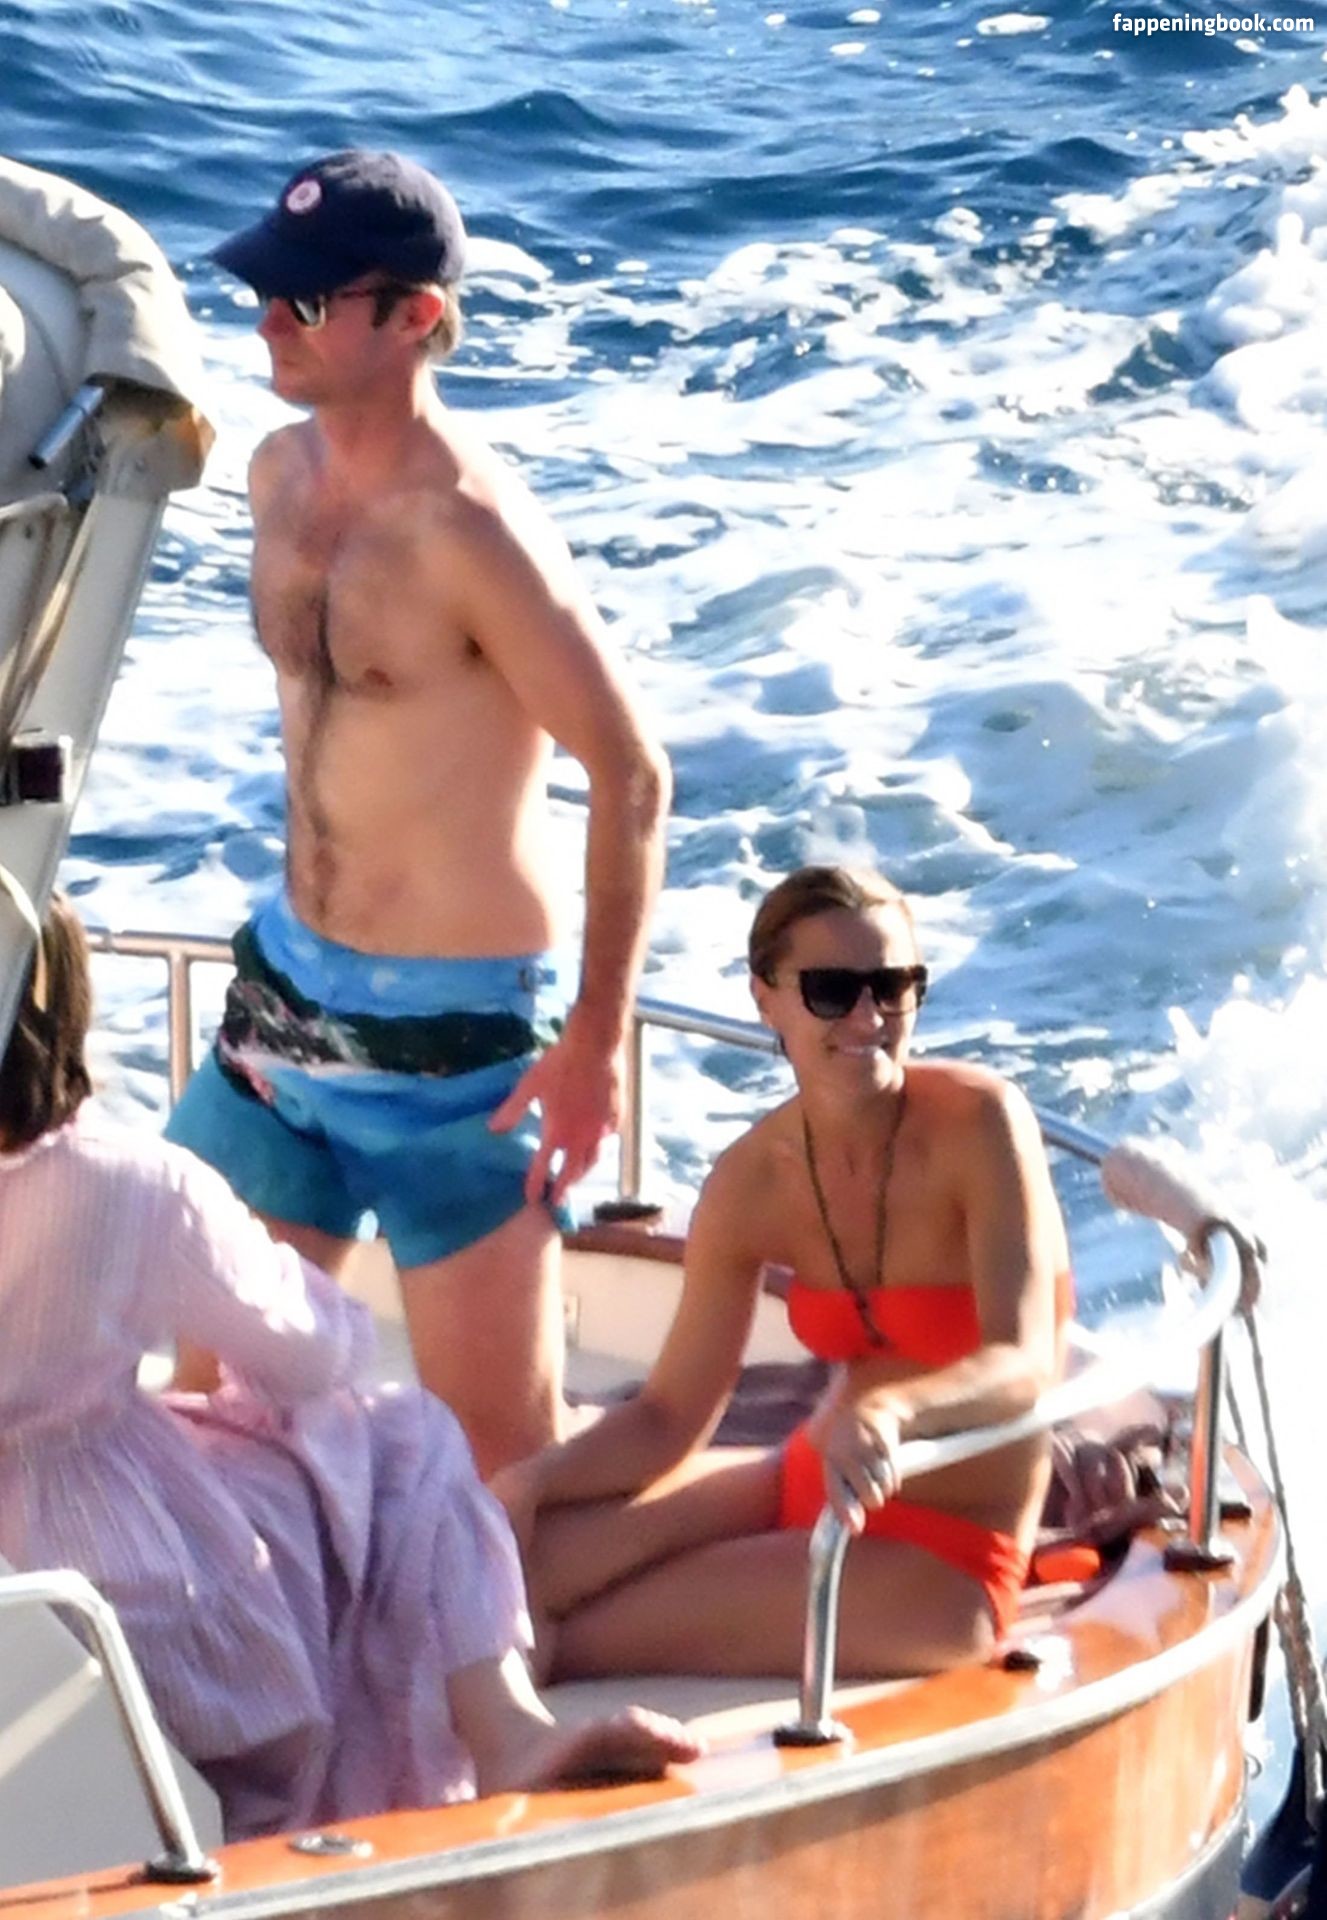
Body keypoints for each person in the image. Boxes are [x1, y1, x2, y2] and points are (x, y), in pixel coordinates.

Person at [165, 150, 671, 1474]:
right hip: (282, 1004)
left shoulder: (471, 533)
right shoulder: (275, 474)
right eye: (264, 293)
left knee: (499, 1466)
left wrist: (594, 1044)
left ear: (416, 318)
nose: (267, 323)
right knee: (210, 1414)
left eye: (305, 303)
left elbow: (631, 774)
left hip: (453, 1050)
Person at [0, 896, 698, 1841]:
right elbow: (306, 1357)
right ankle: (507, 1732)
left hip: (27, 1601)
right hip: (123, 1592)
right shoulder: (131, 1183)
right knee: (403, 1435)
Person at [493, 865, 1072, 1680]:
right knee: (509, 1572)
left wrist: (893, 1413)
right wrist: (534, 1481)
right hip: (803, 1479)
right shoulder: (751, 1181)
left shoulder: (980, 1123)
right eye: (831, 991)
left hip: (948, 1554)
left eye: (893, 988)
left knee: (554, 1644)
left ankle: (503, 1755)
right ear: (765, 999)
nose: (867, 1018)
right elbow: (668, 1415)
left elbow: (1023, 1363)